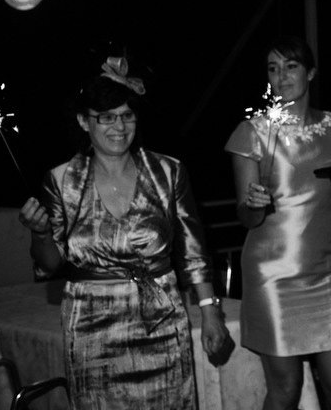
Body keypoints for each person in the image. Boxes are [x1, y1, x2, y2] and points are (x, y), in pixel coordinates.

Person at [18, 56, 231, 410]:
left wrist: (210, 312)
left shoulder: (168, 171)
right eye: (106, 117)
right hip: (91, 328)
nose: (119, 126)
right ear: (84, 122)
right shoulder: (61, 180)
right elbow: (50, 264)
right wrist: (39, 234)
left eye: (127, 115)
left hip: (162, 322)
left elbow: (193, 251)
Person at [224, 36, 331, 410]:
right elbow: (246, 216)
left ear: (310, 72)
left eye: (291, 66)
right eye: (273, 68)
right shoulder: (251, 132)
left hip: (326, 269)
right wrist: (254, 204)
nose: (281, 76)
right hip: (273, 274)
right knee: (285, 390)